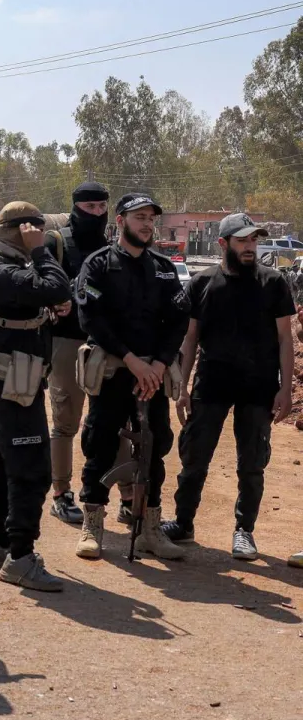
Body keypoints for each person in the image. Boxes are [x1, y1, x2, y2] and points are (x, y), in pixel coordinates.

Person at [165, 213, 295, 559]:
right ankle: (183, 523)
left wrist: (285, 389)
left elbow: (285, 339)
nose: (250, 247)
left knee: (251, 464)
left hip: (259, 386)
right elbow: (190, 338)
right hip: (212, 382)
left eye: (254, 240)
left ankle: (244, 531)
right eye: (242, 241)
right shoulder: (202, 283)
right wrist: (182, 387)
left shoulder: (273, 282)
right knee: (194, 458)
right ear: (223, 243)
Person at [72, 192, 189, 561]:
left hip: (152, 377)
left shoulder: (164, 268)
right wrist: (131, 360)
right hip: (113, 371)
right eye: (139, 217)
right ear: (120, 221)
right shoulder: (98, 265)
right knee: (100, 446)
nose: (147, 224)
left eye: (151, 218)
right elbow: (91, 319)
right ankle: (93, 526)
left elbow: (178, 320)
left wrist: (159, 364)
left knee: (155, 448)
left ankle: (151, 530)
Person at [0, 202, 71, 591]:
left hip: (15, 382)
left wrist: (52, 302)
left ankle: (2, 545)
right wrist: (40, 252)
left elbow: (49, 295)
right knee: (31, 469)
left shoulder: (0, 266)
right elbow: (57, 286)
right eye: (35, 231)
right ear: (21, 231)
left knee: (6, 462)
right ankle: (21, 558)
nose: (42, 237)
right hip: (13, 385)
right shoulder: (0, 271)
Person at [45, 182, 111, 526]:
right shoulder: (56, 242)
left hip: (104, 342)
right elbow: (40, 284)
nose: (97, 213)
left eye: (102, 207)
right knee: (65, 421)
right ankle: (61, 493)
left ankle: (125, 496)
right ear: (76, 207)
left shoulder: (110, 247)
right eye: (90, 207)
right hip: (65, 341)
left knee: (112, 422)